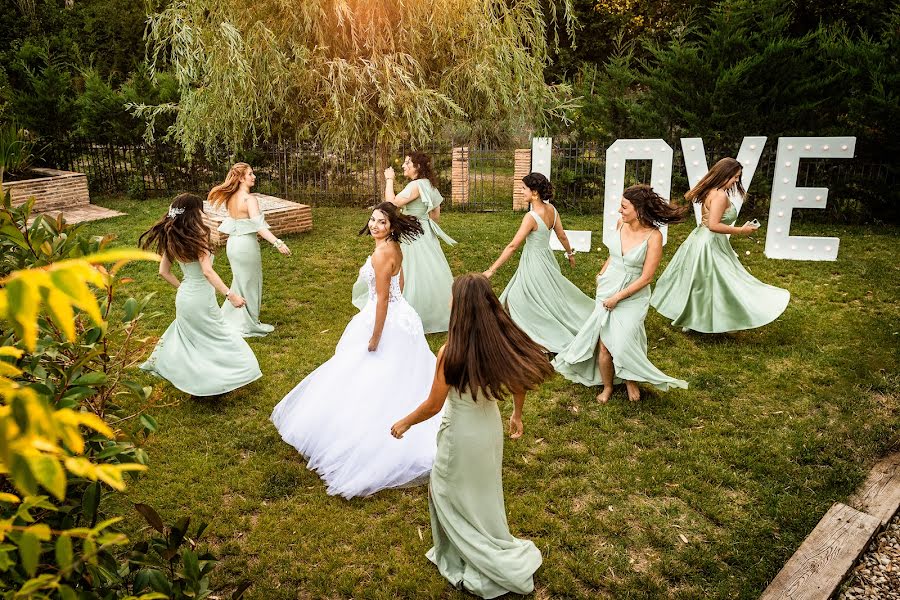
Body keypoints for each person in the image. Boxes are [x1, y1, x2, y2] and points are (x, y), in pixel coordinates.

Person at [391, 273, 553, 599]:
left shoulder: (451, 352)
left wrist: (405, 422)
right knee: (483, 491)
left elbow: (434, 405)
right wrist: (516, 415)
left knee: (446, 491)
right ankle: (490, 538)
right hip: (490, 429)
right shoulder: (499, 344)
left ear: (459, 305)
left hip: (461, 436)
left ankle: (475, 556)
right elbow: (520, 382)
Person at [271, 203, 441, 499]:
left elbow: (383, 299)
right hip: (405, 317)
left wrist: (375, 337)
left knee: (369, 373)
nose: (374, 225)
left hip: (386, 320)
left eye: (381, 222)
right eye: (372, 220)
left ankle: (362, 434)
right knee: (404, 374)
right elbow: (400, 282)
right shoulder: (396, 248)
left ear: (391, 226)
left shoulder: (379, 254)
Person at [553, 185, 689, 403]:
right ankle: (607, 387)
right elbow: (614, 255)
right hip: (608, 288)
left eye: (624, 206)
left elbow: (647, 278)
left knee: (625, 339)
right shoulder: (620, 224)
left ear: (639, 209)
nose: (619, 210)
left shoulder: (654, 237)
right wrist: (602, 273)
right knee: (605, 343)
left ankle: (630, 379)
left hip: (633, 294)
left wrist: (618, 297)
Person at [139, 193, 262, 396]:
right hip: (202, 299)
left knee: (192, 339)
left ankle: (196, 374)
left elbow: (164, 272)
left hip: (185, 297)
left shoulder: (173, 236)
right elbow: (207, 271)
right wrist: (230, 295)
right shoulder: (199, 235)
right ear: (195, 212)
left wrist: (183, 288)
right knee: (220, 335)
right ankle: (225, 375)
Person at [650, 157, 790, 332]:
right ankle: (721, 316)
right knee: (725, 279)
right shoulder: (720, 195)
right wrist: (741, 230)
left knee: (703, 281)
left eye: (738, 177)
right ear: (725, 175)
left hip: (701, 238)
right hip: (709, 242)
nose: (736, 181)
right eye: (735, 177)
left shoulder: (711, 191)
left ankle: (696, 318)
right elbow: (713, 225)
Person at [483, 172, 594, 353]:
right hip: (547, 260)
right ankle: (526, 333)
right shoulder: (553, 210)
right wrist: (569, 253)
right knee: (543, 298)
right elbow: (562, 235)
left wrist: (491, 270)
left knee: (517, 298)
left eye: (524, 188)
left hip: (534, 263)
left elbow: (513, 246)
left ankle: (536, 338)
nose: (521, 191)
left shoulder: (531, 217)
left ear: (534, 192)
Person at [352, 152, 456, 333]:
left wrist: (389, 180)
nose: (403, 166)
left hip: (412, 235)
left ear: (417, 166)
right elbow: (435, 215)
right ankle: (433, 310)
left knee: (407, 271)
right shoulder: (430, 185)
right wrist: (423, 224)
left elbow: (390, 204)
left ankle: (407, 312)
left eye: (408, 162)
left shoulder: (416, 185)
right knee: (427, 272)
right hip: (425, 232)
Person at [208, 163, 290, 337]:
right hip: (246, 245)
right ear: (240, 178)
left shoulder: (230, 198)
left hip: (233, 244)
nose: (254, 177)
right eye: (250, 174)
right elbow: (259, 226)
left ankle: (238, 316)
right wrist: (278, 243)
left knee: (240, 281)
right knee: (251, 282)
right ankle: (248, 322)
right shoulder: (250, 199)